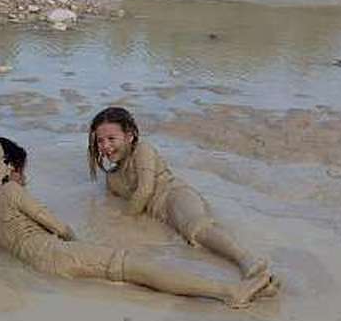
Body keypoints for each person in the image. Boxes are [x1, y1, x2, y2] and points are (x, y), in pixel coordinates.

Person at [0, 137, 273, 308]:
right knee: (140, 268)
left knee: (135, 277)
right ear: (7, 167)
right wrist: (77, 240)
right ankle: (227, 292)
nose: (25, 177)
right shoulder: (12, 190)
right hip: (59, 254)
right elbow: (55, 225)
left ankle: (236, 289)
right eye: (22, 170)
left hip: (43, 265)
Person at [87, 106, 269, 280]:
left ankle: (246, 259)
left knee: (197, 229)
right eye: (100, 141)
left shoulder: (143, 150)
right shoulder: (112, 178)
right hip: (160, 215)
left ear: (130, 136)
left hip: (174, 196)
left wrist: (124, 220)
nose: (105, 146)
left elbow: (144, 191)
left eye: (111, 139)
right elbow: (110, 206)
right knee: (186, 251)